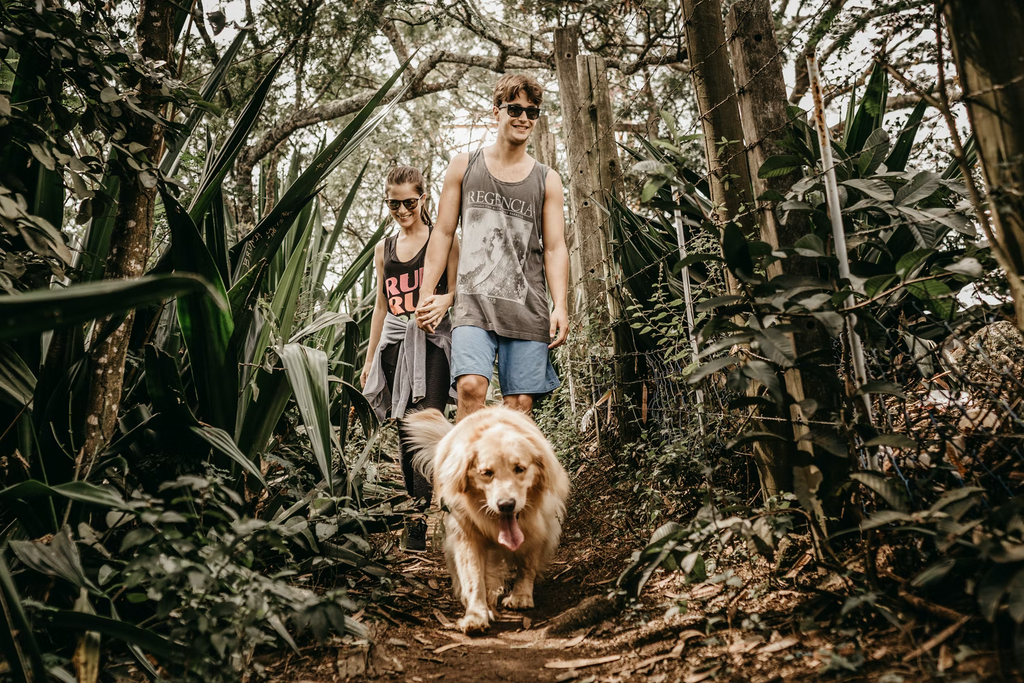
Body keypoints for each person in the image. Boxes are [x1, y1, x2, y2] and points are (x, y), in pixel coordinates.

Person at [416, 73, 569, 421]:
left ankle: (507, 476)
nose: (523, 118)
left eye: (532, 112)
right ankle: (462, 475)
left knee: (519, 408)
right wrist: (427, 292)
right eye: (514, 108)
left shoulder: (548, 180)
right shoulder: (464, 165)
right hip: (474, 304)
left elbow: (555, 248)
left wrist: (559, 305)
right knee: (470, 387)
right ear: (495, 112)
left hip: (527, 308)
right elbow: (442, 233)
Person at [361, 165, 459, 551]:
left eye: (409, 202)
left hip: (432, 343)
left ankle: (436, 514)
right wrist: (370, 359)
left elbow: (459, 294)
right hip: (394, 344)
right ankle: (417, 515)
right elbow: (381, 309)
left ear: (423, 198)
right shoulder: (382, 250)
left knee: (427, 424)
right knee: (404, 429)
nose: (402, 211)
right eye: (393, 203)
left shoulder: (444, 240)